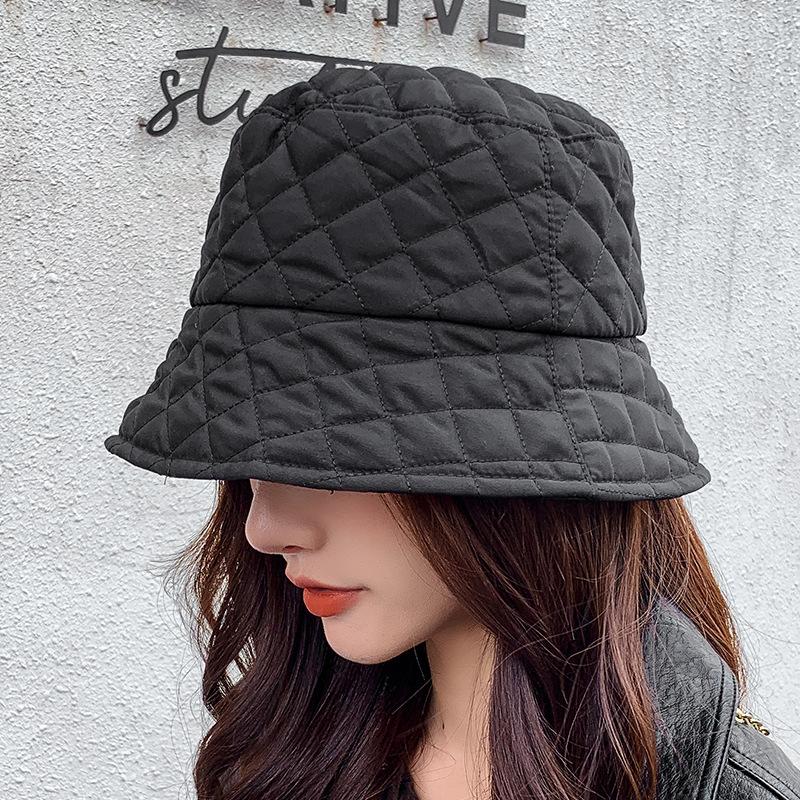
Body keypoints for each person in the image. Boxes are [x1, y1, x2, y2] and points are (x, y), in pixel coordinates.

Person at [104, 62, 800, 799]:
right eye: (250, 455)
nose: (263, 529)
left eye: (328, 449)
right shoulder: (300, 751)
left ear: (515, 465)